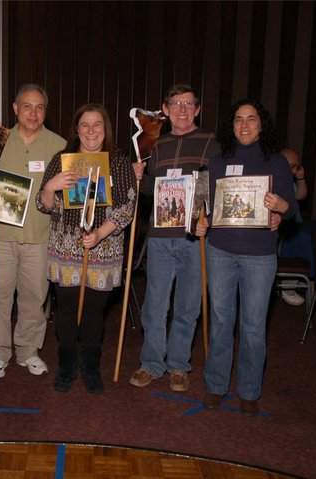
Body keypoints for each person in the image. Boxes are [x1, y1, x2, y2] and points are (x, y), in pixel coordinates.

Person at [197, 99, 297, 417]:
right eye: (238, 119)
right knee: (221, 322)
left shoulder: (277, 162)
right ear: (232, 125)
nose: (244, 125)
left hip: (260, 255)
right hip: (220, 250)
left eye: (251, 119)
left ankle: (250, 390)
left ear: (261, 124)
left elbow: (291, 208)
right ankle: (216, 385)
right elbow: (208, 208)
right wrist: (201, 221)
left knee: (253, 326)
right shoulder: (217, 162)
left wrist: (280, 207)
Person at [38, 103, 137, 394]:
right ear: (76, 129)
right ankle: (67, 366)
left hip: (103, 249)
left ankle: (91, 368)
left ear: (105, 129)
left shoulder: (118, 162)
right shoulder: (61, 159)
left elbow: (127, 206)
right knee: (66, 310)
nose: (91, 131)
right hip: (65, 248)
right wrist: (50, 187)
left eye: (97, 125)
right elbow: (44, 206)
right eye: (84, 125)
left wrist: (100, 233)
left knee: (94, 311)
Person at [129, 84, 220, 393]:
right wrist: (138, 177)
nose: (182, 109)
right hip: (159, 235)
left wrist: (204, 218)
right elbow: (147, 192)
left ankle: (179, 365)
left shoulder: (211, 142)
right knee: (154, 305)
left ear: (197, 109)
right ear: (165, 110)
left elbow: (214, 185)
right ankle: (151, 363)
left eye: (188, 104)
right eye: (176, 104)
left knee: (187, 305)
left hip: (194, 236)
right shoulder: (155, 144)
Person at [0, 84, 66, 379]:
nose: (33, 113)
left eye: (40, 107)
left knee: (34, 298)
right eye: (27, 106)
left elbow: (69, 197)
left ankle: (28, 351)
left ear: (46, 111)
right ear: (15, 108)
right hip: (0, 235)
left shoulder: (59, 145)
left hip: (40, 237)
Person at [279, 148, 309, 306]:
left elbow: (301, 196)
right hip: (282, 231)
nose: (293, 170)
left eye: (296, 167)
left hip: (295, 226)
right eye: (291, 166)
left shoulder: (290, 182)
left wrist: (301, 177)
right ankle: (288, 285)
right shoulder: (274, 180)